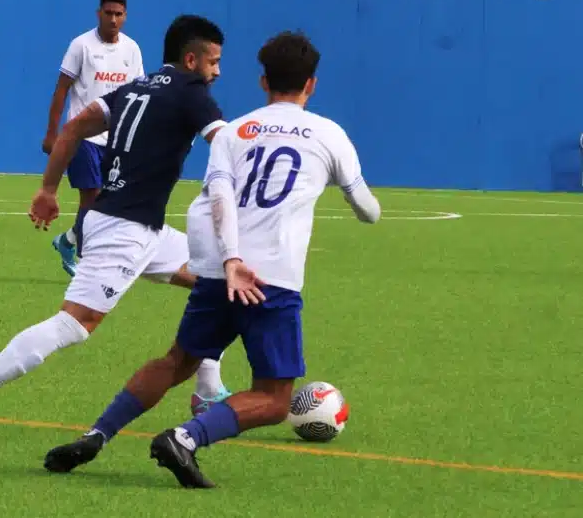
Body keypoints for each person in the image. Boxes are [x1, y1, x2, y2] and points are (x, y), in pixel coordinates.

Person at [41, 31, 382, 488]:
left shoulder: (236, 130)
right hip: (270, 280)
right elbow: (367, 211)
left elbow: (218, 194)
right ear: (312, 85)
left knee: (177, 361)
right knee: (276, 399)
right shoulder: (329, 133)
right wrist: (346, 189)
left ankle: (97, 434)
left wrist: (229, 259)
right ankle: (185, 437)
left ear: (263, 81)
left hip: (220, 271)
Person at [0, 15, 249, 441]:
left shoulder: (134, 88)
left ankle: (207, 388)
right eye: (213, 62)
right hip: (121, 231)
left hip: (143, 228)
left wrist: (48, 190)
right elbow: (225, 142)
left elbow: (72, 128)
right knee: (75, 325)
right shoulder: (191, 91)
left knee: (220, 282)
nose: (217, 72)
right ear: (190, 59)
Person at [44, 0, 144, 277]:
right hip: (83, 136)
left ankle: (68, 241)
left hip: (115, 138)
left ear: (125, 17)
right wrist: (53, 135)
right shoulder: (81, 46)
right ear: (98, 13)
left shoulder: (132, 50)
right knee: (92, 197)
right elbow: (61, 90)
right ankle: (87, 264)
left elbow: (138, 94)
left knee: (107, 203)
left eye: (118, 14)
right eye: (108, 13)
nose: (113, 19)